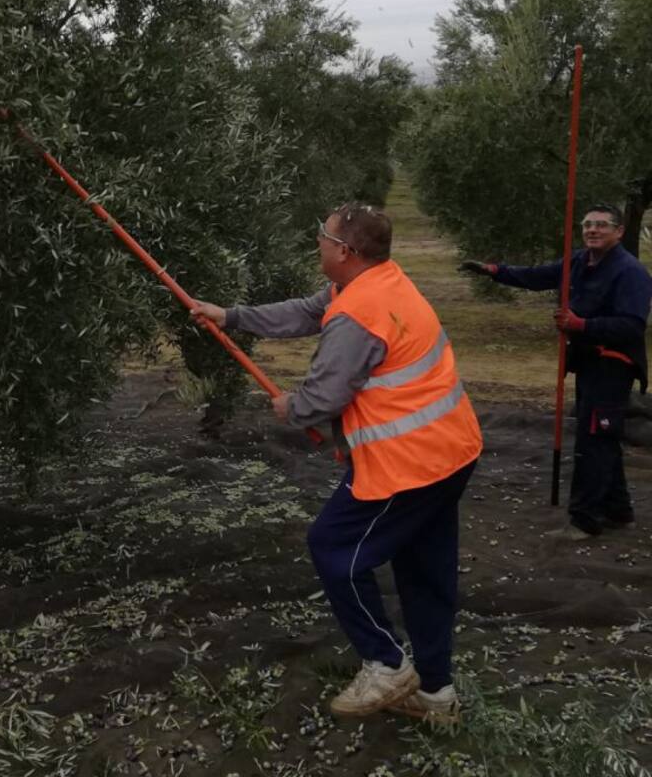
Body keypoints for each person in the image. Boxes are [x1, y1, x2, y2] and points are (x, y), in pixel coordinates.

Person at [192, 202, 483, 723]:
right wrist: (231, 316)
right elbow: (306, 311)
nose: (318, 244)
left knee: (333, 547)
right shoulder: (377, 282)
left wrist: (293, 407)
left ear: (345, 251)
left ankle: (386, 662)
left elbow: (324, 394)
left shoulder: (358, 314)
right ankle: (436, 695)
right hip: (451, 451)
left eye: (322, 237)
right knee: (423, 569)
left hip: (408, 464)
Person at [461, 202, 652, 540]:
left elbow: (632, 326)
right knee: (602, 435)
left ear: (619, 231)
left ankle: (584, 520)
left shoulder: (630, 271)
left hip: (613, 366)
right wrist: (496, 271)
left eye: (602, 225)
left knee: (594, 440)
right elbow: (538, 276)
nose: (592, 230)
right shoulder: (579, 261)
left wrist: (582, 324)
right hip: (589, 363)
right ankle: (619, 511)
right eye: (588, 224)